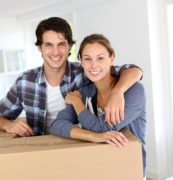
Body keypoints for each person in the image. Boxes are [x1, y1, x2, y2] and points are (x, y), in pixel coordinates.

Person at [0, 17, 142, 137]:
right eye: (49, 45)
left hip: (78, 149)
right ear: (40, 48)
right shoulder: (25, 82)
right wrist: (8, 124)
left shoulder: (86, 72)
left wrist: (118, 91)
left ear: (70, 47)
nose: (55, 52)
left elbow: (133, 70)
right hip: (39, 150)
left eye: (61, 44)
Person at [50, 34, 146, 176]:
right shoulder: (84, 92)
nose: (94, 65)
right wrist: (93, 137)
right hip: (96, 169)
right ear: (81, 62)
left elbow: (102, 128)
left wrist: (77, 103)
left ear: (111, 58)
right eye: (87, 59)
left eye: (100, 58)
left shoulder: (134, 91)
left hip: (129, 170)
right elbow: (57, 125)